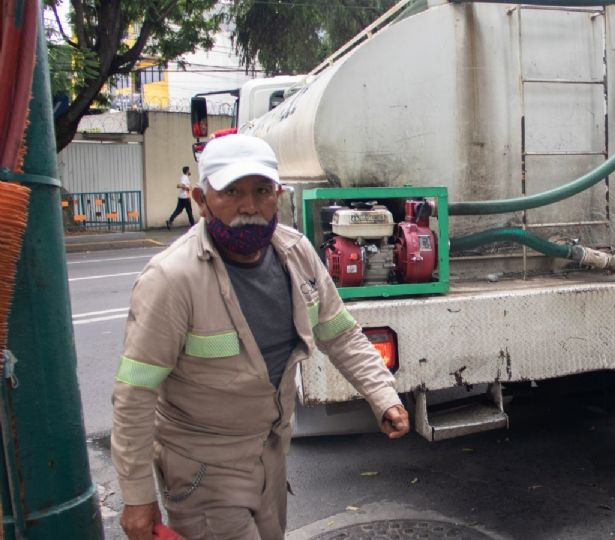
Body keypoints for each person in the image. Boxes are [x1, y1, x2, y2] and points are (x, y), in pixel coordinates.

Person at [112, 134, 410, 540]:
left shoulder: (297, 253)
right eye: (231, 192)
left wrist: (384, 396)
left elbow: (341, 334)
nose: (248, 206)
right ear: (201, 199)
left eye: (261, 190)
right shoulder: (171, 278)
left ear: (279, 196)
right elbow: (135, 393)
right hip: (204, 471)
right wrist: (136, 496)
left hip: (272, 457)